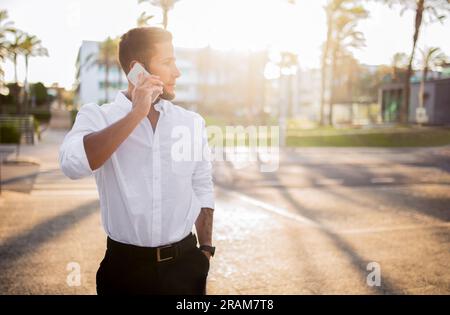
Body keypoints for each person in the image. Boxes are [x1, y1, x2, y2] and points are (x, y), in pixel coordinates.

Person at [59, 27, 215, 295]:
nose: (177, 72)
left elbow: (201, 186)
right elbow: (72, 165)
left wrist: (206, 251)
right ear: (137, 69)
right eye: (167, 62)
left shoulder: (190, 123)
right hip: (124, 271)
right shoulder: (97, 116)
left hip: (186, 268)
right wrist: (137, 113)